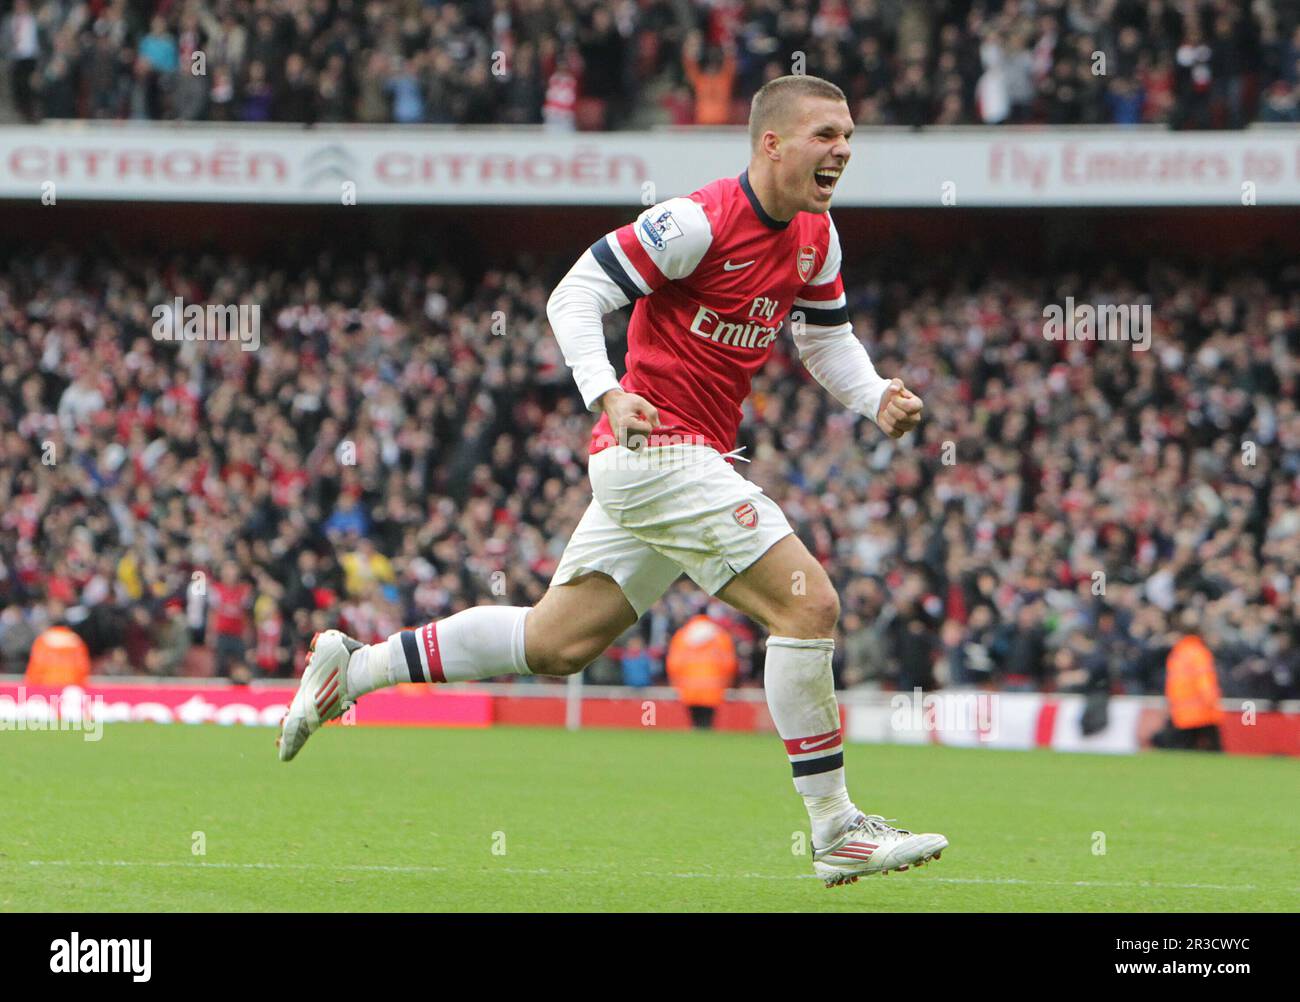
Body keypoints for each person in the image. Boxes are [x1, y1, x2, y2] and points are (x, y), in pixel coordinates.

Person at [277, 74, 946, 887]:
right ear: (772, 143)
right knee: (808, 601)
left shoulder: (817, 233)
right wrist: (608, 390)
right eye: (825, 135)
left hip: (687, 458)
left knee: (557, 642)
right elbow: (577, 291)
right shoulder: (698, 220)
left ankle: (358, 667)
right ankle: (836, 827)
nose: (842, 149)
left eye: (848, 135)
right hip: (655, 449)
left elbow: (824, 340)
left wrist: (875, 395)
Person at [1152, 608, 1224, 751]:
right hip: (1202, 711)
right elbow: (1204, 681)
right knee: (1214, 751)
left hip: (1181, 712)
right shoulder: (1199, 653)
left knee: (1185, 752)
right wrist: (1213, 702)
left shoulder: (1177, 653)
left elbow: (1172, 683)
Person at [666, 611, 737, 728]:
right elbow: (729, 662)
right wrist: (728, 680)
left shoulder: (682, 636)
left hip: (688, 686)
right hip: (713, 686)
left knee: (694, 719)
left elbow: (674, 663)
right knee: (708, 720)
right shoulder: (720, 636)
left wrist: (675, 681)